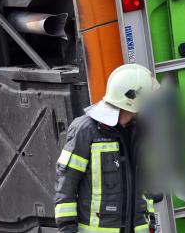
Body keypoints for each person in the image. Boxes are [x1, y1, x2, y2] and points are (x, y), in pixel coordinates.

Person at [54, 64, 159, 233]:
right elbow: (66, 185)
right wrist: (67, 228)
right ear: (131, 100)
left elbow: (145, 185)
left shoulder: (141, 131)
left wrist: (151, 223)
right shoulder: (86, 130)